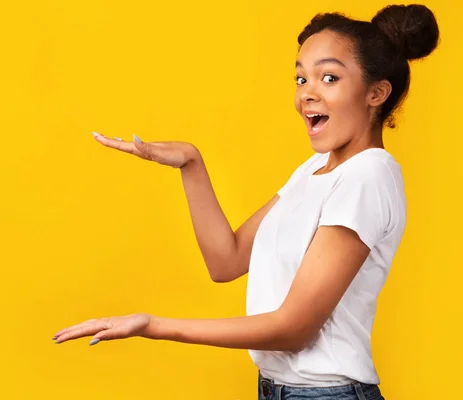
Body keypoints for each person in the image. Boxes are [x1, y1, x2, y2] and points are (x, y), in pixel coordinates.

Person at [53, 4, 439, 399]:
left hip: (326, 393)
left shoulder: (368, 176)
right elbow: (227, 260)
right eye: (301, 77)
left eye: (328, 77)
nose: (307, 92)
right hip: (278, 390)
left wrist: (152, 325)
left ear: (376, 92)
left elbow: (294, 329)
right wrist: (191, 163)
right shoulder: (315, 170)